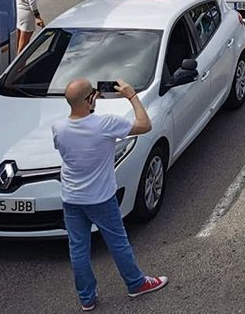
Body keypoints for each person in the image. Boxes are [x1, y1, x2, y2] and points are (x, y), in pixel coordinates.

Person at [54, 79, 167, 310]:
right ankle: (136, 284)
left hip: (71, 198)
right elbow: (144, 125)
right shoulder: (104, 124)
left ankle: (87, 298)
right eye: (93, 94)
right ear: (90, 100)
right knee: (118, 242)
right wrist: (131, 95)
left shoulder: (58, 127)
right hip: (100, 197)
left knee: (78, 248)